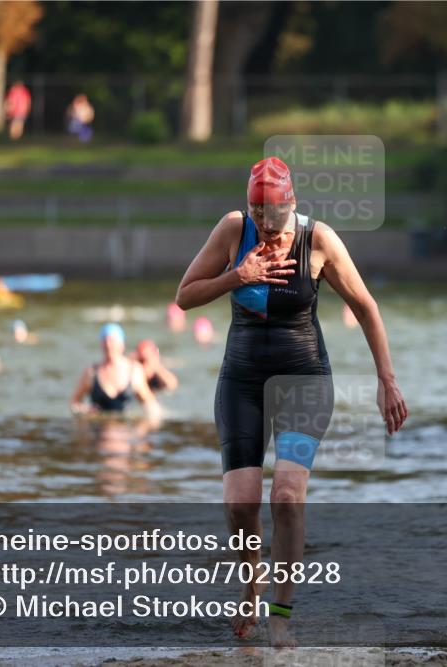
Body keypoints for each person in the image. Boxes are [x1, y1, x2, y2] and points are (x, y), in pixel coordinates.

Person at [175, 156, 408, 646]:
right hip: (241, 381)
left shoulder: (318, 240)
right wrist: (236, 277)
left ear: (293, 206)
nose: (268, 229)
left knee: (285, 494)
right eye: (259, 217)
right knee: (241, 504)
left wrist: (386, 380)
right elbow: (185, 296)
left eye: (275, 219)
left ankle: (280, 615)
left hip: (304, 378)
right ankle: (252, 582)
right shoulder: (233, 230)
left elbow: (366, 307)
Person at [70, 324, 161, 424]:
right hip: (99, 430)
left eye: (113, 341)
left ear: (122, 344)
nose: (109, 345)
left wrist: (143, 430)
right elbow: (74, 403)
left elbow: (151, 406)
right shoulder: (91, 373)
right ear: (101, 344)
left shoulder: (134, 371)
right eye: (106, 341)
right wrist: (83, 410)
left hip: (126, 431)